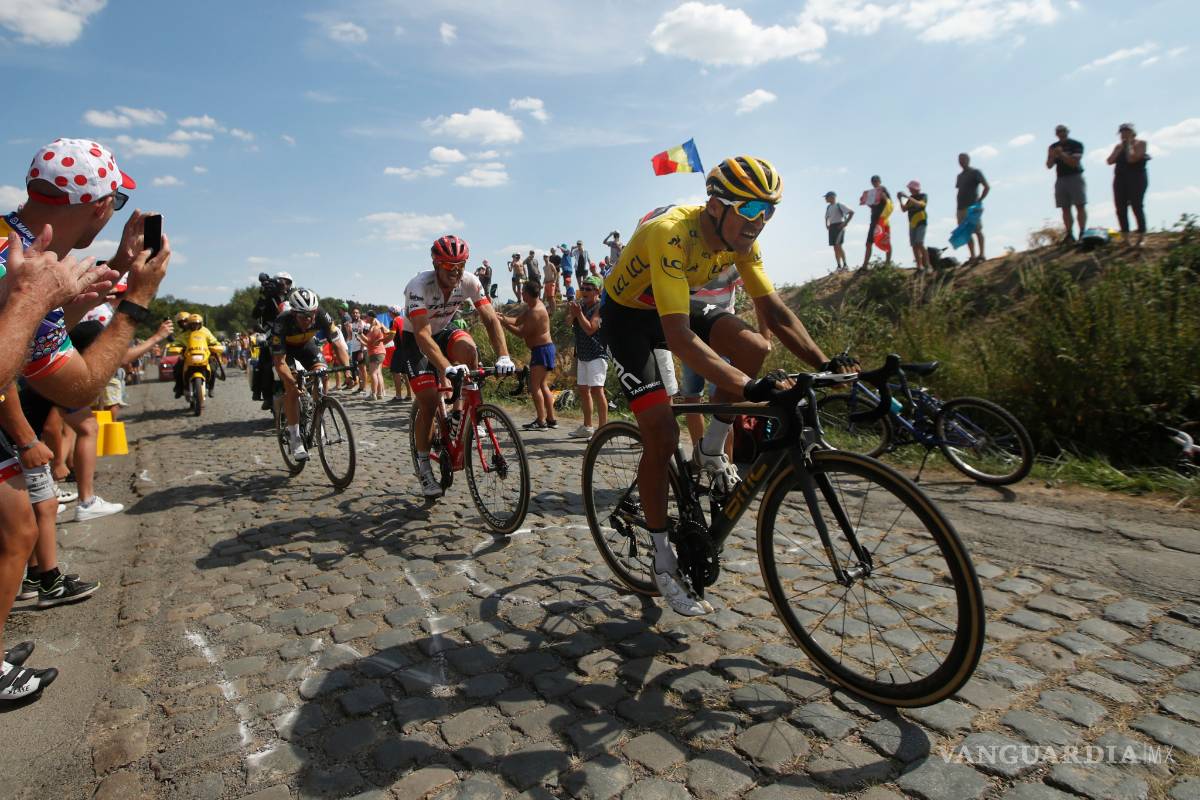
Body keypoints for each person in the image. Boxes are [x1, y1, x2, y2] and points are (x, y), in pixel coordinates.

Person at [600, 155, 846, 617]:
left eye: (769, 210)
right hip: (628, 320)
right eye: (751, 210)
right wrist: (751, 389)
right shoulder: (669, 232)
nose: (761, 221)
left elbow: (773, 310)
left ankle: (712, 449)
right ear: (716, 206)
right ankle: (662, 559)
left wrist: (828, 363)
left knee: (754, 345)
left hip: (673, 306)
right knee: (661, 433)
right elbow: (679, 339)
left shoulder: (741, 239)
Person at [1, 137, 171, 701]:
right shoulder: (32, 267)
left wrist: (120, 267)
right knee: (16, 530)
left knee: (20, 525)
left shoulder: (13, 239)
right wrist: (137, 304)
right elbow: (73, 381)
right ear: (100, 207)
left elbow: (34, 330)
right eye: (114, 205)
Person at [401, 236, 515, 497]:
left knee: (469, 351)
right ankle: (423, 466)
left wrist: (504, 356)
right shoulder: (418, 286)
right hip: (415, 338)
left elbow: (489, 319)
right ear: (436, 263)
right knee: (429, 401)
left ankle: (458, 413)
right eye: (449, 266)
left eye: (460, 265)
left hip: (444, 329)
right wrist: (445, 366)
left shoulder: (470, 282)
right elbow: (422, 335)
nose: (455, 271)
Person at [271, 288, 350, 460]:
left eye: (312, 314)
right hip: (287, 352)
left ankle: (318, 416)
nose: (310, 319)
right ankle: (295, 437)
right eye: (304, 316)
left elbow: (337, 344)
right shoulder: (282, 322)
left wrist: (348, 370)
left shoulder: (321, 314)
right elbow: (280, 363)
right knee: (291, 388)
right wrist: (291, 382)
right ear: (293, 313)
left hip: (307, 345)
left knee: (322, 374)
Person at [501, 280, 557, 431]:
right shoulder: (532, 307)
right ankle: (550, 419)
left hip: (541, 350)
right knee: (542, 385)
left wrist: (504, 324)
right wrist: (503, 318)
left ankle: (541, 421)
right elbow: (517, 320)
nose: (521, 293)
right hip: (544, 349)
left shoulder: (535, 311)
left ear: (528, 293)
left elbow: (521, 333)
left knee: (534, 387)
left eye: (523, 291)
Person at [567, 276, 608, 439]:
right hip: (583, 354)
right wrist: (572, 313)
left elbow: (591, 328)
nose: (584, 291)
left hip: (597, 354)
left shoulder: (600, 307)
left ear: (597, 291)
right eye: (582, 288)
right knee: (584, 390)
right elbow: (568, 322)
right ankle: (587, 426)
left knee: (598, 390)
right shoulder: (581, 306)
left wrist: (579, 315)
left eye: (588, 289)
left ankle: (603, 430)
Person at [1107, 122, 1150, 248]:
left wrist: (1128, 146)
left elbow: (1132, 159)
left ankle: (1141, 236)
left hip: (1136, 177)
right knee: (1120, 207)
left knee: (1137, 205)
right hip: (1120, 178)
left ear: (1133, 132)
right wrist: (1120, 148)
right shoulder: (1118, 146)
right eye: (1122, 132)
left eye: (1127, 131)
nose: (1124, 134)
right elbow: (1109, 161)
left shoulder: (1141, 143)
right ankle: (1125, 238)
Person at [1046, 124, 1087, 243]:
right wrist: (1053, 156)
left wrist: (1062, 154)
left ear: (1067, 132)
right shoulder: (1053, 147)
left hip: (1075, 176)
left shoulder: (1076, 144)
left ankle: (1082, 231)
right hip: (1061, 178)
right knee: (1065, 207)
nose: (1061, 133)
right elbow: (1049, 165)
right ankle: (1069, 233)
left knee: (1080, 205)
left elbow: (1074, 162)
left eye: (1063, 131)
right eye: (1058, 131)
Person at [955, 153, 989, 265]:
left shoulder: (975, 172)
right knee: (966, 233)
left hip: (972, 206)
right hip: (961, 207)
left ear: (968, 160)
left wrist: (980, 200)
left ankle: (982, 254)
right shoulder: (959, 176)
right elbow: (959, 190)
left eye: (963, 159)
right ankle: (973, 256)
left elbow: (986, 187)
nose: (961, 161)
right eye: (960, 160)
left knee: (977, 230)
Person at [859, 175, 891, 270]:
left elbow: (889, 203)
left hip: (882, 220)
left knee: (886, 241)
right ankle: (865, 265)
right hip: (874, 220)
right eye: (873, 181)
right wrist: (866, 201)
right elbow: (873, 206)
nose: (875, 182)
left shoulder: (883, 190)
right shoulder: (873, 193)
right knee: (868, 243)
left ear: (879, 181)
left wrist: (883, 196)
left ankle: (887, 263)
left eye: (876, 181)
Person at [897, 180, 930, 272]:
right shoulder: (910, 198)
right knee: (914, 245)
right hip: (912, 223)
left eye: (910, 188)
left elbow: (921, 205)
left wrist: (907, 196)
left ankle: (927, 264)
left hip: (921, 222)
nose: (909, 190)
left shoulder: (923, 196)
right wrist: (900, 199)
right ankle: (919, 266)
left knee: (920, 243)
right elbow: (904, 209)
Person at [361, 311, 391, 400]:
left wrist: (360, 334)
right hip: (379, 352)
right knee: (378, 373)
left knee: (373, 373)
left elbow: (369, 341)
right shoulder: (375, 326)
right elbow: (370, 343)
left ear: (371, 317)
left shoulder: (375, 327)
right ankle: (379, 393)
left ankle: (373, 394)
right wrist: (360, 339)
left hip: (376, 353)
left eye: (367, 317)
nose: (366, 318)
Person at [823, 191, 853, 272]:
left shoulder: (839, 205)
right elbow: (826, 217)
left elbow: (851, 212)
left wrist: (845, 223)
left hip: (839, 226)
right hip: (832, 227)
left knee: (838, 245)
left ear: (832, 197)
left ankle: (845, 265)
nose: (825, 199)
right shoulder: (828, 207)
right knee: (835, 247)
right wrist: (827, 224)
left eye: (827, 197)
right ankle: (839, 266)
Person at [387, 307, 411, 402]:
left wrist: (381, 341)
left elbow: (391, 337)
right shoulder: (403, 319)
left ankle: (398, 396)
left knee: (395, 371)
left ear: (391, 313)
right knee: (405, 373)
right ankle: (409, 394)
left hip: (399, 349)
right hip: (407, 348)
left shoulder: (394, 321)